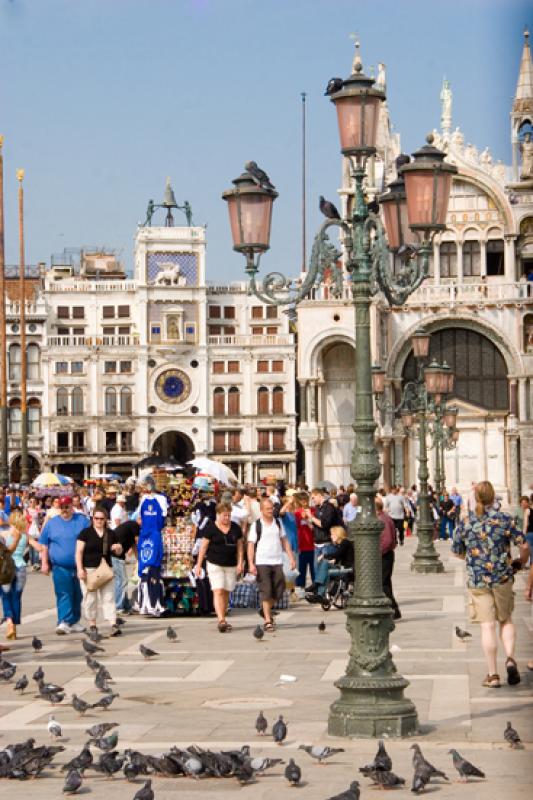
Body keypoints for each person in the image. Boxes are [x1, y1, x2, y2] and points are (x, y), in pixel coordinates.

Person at [452, 480, 529, 688]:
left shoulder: (466, 523)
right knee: (506, 619)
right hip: (503, 576)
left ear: (476, 498)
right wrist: (520, 561)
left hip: (478, 579)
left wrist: (472, 558)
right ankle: (511, 658)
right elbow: (523, 544)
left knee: (487, 626)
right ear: (494, 497)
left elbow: (457, 551)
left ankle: (493, 675)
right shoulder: (505, 519)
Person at [40, 497, 88, 635]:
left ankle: (74, 620)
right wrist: (44, 562)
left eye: (67, 506)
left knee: (78, 595)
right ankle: (63, 621)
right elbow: (44, 544)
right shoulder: (52, 523)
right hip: (60, 566)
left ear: (72, 506)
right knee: (64, 593)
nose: (64, 510)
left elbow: (90, 538)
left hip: (80, 566)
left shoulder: (82, 521)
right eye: (62, 507)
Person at [247, 498, 296, 632]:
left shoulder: (278, 523)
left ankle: (265, 608)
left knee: (279, 591)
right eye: (268, 509)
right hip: (262, 562)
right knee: (266, 591)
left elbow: (285, 541)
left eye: (272, 508)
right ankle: (268, 620)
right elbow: (251, 545)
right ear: (261, 510)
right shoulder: (256, 525)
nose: (271, 511)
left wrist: (291, 558)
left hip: (277, 561)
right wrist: (251, 563)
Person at [195, 502, 244, 632]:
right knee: (218, 590)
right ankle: (221, 619)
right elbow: (203, 547)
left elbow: (240, 547)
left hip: (231, 564)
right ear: (218, 515)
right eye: (224, 516)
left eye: (228, 515)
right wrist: (199, 565)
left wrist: (240, 563)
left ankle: (223, 614)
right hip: (214, 563)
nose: (227, 518)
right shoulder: (211, 528)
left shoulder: (235, 528)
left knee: (227, 590)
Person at [76, 509, 123, 636]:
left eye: (102, 519)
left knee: (109, 597)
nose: (99, 521)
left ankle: (113, 624)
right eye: (96, 518)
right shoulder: (85, 533)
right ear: (92, 519)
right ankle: (92, 625)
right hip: (89, 570)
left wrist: (118, 548)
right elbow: (79, 552)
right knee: (90, 599)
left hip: (105, 570)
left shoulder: (111, 533)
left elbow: (118, 551)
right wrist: (80, 569)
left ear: (106, 520)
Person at [136, 485, 166, 616]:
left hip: (150, 535)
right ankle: (151, 604)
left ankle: (148, 604)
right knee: (151, 572)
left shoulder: (157, 500)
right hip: (150, 536)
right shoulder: (153, 500)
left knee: (148, 572)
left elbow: (137, 516)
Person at [0, 511, 29, 640]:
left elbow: (6, 551)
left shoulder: (6, 534)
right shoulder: (25, 535)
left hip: (7, 569)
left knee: (6, 596)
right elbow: (38, 547)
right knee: (16, 597)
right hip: (21, 567)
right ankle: (14, 628)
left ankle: (10, 623)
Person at [308, 525, 353, 602]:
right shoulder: (341, 544)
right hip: (342, 569)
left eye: (332, 534)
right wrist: (334, 560)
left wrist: (324, 555)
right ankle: (319, 594)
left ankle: (317, 586)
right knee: (325, 567)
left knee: (325, 566)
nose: (331, 536)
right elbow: (340, 556)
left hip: (347, 570)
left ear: (337, 534)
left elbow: (337, 554)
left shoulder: (345, 542)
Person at [376, 498, 401, 619]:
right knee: (385, 583)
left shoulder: (382, 520)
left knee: (383, 583)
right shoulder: (385, 517)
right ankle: (394, 610)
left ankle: (392, 609)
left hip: (384, 556)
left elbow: (387, 540)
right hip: (386, 555)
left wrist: (377, 553)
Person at [293, 493, 315, 597]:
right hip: (301, 545)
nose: (304, 502)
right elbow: (295, 528)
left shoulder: (313, 511)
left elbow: (314, 528)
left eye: (306, 500)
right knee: (301, 569)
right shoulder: (296, 513)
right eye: (302, 500)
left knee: (314, 569)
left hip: (313, 545)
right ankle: (300, 589)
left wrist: (307, 518)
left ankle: (316, 588)